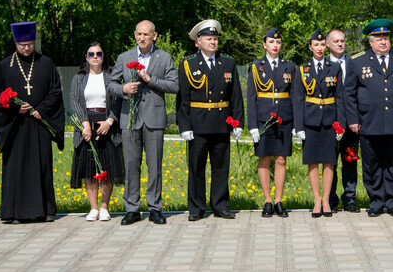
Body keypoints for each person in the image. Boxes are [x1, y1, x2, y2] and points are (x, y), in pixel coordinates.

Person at [0, 22, 65, 223]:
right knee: (17, 168)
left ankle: (45, 211)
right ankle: (15, 212)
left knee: (41, 167)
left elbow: (55, 91)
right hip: (16, 126)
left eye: (29, 43)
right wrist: (14, 107)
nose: (26, 48)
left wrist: (42, 109)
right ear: (16, 42)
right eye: (22, 44)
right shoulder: (5, 66)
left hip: (39, 124)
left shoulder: (45, 63)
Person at [345, 18, 393, 217]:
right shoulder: (357, 61)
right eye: (378, 38)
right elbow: (349, 93)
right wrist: (352, 119)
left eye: (385, 37)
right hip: (369, 121)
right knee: (372, 164)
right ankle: (376, 201)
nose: (383, 42)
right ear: (370, 41)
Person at [108, 20, 179, 225]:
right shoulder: (124, 57)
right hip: (129, 119)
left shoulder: (164, 57)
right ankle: (132, 208)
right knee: (131, 165)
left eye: (146, 35)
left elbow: (174, 86)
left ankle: (155, 208)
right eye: (139, 34)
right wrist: (123, 89)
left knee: (154, 166)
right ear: (134, 35)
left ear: (154, 36)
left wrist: (149, 79)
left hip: (154, 119)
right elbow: (110, 84)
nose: (142, 38)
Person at [176, 19, 244, 221]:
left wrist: (238, 122)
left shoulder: (228, 63)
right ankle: (196, 208)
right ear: (198, 42)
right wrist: (184, 125)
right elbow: (183, 99)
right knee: (196, 168)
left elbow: (236, 96)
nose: (213, 42)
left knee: (221, 168)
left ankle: (221, 205)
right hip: (197, 124)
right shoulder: (188, 64)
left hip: (222, 122)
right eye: (208, 39)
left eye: (215, 39)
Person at [70, 42, 125, 222]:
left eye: (99, 54)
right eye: (91, 54)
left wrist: (109, 121)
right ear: (86, 57)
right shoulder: (78, 78)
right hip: (86, 125)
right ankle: (93, 208)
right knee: (89, 168)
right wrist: (85, 125)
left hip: (106, 124)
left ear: (103, 56)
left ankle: (104, 207)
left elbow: (118, 100)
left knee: (106, 167)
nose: (95, 57)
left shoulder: (111, 76)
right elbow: (75, 102)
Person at [294, 29, 346, 217]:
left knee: (330, 162)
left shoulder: (335, 68)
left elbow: (340, 98)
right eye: (316, 45)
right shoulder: (302, 70)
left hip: (330, 121)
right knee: (313, 162)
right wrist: (298, 126)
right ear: (310, 47)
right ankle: (317, 200)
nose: (320, 48)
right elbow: (298, 100)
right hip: (311, 121)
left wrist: (341, 125)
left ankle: (326, 201)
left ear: (326, 46)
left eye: (323, 44)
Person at [246, 27, 296, 217]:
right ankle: (267, 200)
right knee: (264, 159)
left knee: (281, 159)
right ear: (264, 44)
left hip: (284, 118)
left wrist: (295, 123)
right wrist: (252, 125)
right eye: (272, 42)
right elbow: (251, 98)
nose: (275, 45)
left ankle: (278, 200)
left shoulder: (289, 67)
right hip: (263, 118)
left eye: (278, 42)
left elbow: (293, 96)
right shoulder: (255, 67)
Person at [327, 28, 360, 212]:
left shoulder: (353, 63)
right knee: (330, 161)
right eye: (336, 41)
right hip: (331, 122)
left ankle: (349, 198)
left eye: (342, 41)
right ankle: (330, 198)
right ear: (328, 44)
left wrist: (355, 118)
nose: (340, 44)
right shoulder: (323, 64)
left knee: (350, 159)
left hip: (351, 122)